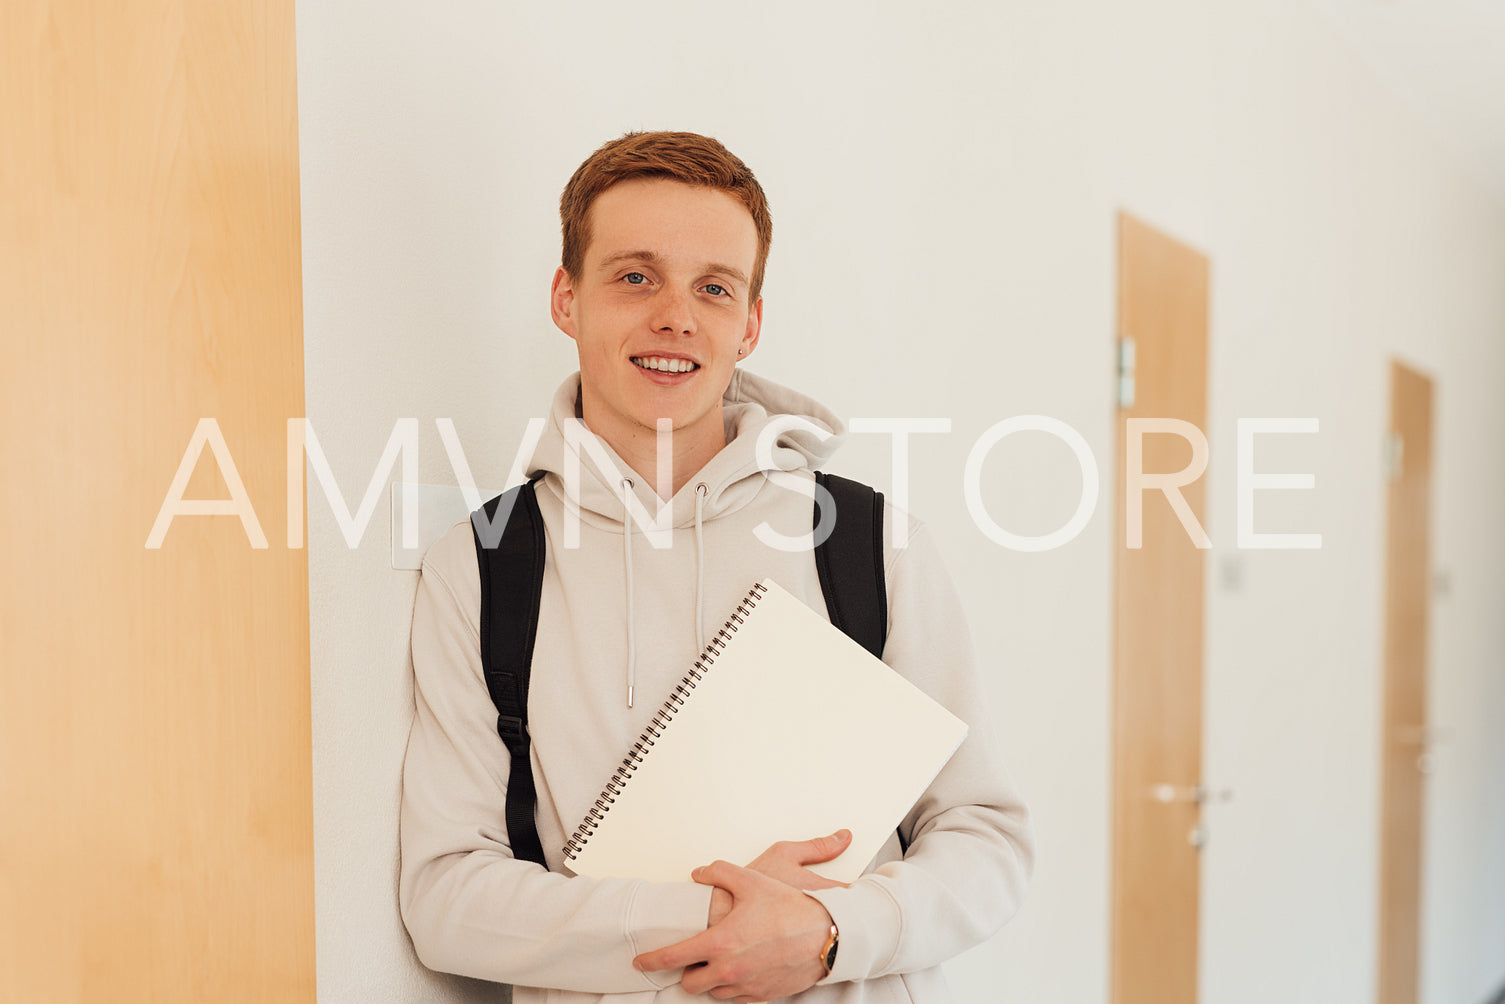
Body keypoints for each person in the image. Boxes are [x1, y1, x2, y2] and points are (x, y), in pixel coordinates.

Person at [399, 130, 1035, 1002]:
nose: (676, 317)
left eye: (713, 288)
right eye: (634, 276)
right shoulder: (483, 567)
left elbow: (984, 840)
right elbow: (444, 897)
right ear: (565, 297)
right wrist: (706, 923)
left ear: (751, 323)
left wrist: (826, 933)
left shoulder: (866, 545)